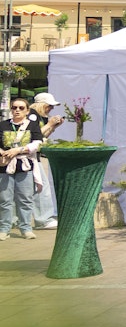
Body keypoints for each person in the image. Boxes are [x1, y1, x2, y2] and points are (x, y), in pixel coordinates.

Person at [0, 98, 44, 241]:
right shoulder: (3, 125)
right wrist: (3, 152)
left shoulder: (33, 125)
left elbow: (38, 143)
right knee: (5, 199)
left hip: (25, 165)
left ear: (27, 110)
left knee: (25, 199)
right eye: (14, 107)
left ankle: (26, 228)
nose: (17, 110)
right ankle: (4, 228)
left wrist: (19, 150)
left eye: (20, 108)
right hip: (5, 166)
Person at [30, 92, 64, 230]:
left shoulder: (38, 117)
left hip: (33, 156)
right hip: (30, 156)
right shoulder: (32, 116)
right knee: (41, 187)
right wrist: (50, 124)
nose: (51, 109)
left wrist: (52, 127)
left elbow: (42, 135)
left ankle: (16, 219)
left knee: (25, 189)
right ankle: (43, 219)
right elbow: (35, 136)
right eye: (49, 106)